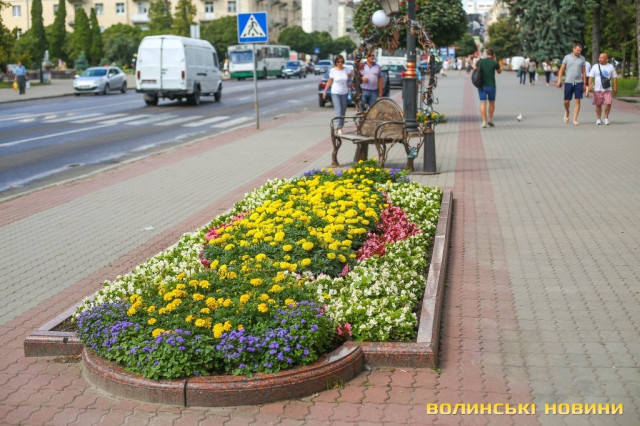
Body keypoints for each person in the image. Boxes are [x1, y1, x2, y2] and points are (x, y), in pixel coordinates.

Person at [556, 43, 588, 125]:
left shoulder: (582, 58)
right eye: (577, 50)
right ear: (573, 49)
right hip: (568, 82)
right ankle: (567, 112)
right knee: (566, 101)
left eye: (580, 51)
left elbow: (584, 72)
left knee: (577, 100)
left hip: (579, 82)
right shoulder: (567, 57)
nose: (579, 52)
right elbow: (561, 69)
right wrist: (559, 80)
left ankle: (575, 119)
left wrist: (585, 83)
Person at [322, 55, 352, 135]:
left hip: (344, 92)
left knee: (343, 110)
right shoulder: (333, 70)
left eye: (341, 61)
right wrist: (325, 91)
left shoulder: (346, 70)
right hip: (335, 92)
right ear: (336, 62)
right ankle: (339, 128)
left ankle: (341, 126)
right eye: (338, 62)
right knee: (338, 110)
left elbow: (352, 76)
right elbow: (329, 81)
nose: (340, 63)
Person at [474, 48, 502, 128]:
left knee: (483, 103)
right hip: (491, 85)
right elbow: (499, 72)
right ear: (493, 55)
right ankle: (490, 119)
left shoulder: (480, 61)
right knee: (492, 102)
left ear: (486, 54)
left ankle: (484, 122)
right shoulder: (494, 62)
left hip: (481, 85)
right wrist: (495, 61)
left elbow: (474, 69)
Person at [588, 52, 618, 125]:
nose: (600, 59)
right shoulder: (595, 66)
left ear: (606, 59)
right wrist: (590, 85)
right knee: (598, 104)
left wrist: (615, 87)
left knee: (608, 103)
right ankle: (598, 118)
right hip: (597, 89)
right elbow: (591, 77)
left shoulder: (611, 67)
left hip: (607, 89)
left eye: (601, 58)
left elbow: (614, 78)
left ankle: (606, 117)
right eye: (599, 57)